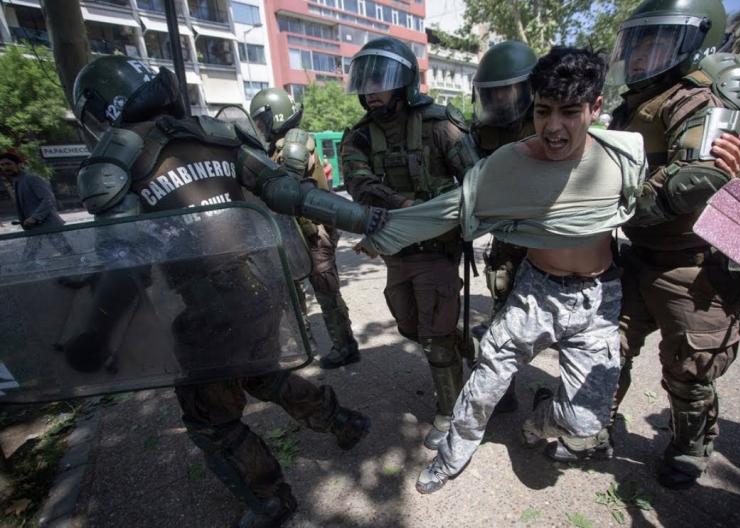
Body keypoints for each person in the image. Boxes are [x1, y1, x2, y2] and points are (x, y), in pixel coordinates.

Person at [72, 56, 386, 527]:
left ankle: (270, 501)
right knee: (262, 374)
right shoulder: (211, 135)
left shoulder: (119, 165)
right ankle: (341, 421)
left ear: (99, 112)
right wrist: (367, 220)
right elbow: (287, 192)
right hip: (259, 287)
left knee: (210, 421)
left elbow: (123, 264)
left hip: (206, 310)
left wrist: (94, 340)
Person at [357, 47, 647, 493]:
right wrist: (380, 237)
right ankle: (452, 455)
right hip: (535, 292)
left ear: (595, 109)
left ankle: (541, 420)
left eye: (570, 112)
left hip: (598, 300)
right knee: (484, 385)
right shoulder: (507, 164)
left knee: (582, 421)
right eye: (544, 111)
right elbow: (447, 209)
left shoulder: (624, 156)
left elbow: (665, 202)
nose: (554, 127)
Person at [605, 0, 740, 489]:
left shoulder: (702, 99)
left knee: (689, 372)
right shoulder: (635, 104)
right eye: (635, 44)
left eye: (653, 43)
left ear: (694, 40)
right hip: (639, 255)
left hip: (697, 266)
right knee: (605, 346)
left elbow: (689, 183)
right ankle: (594, 419)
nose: (638, 57)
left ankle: (690, 445)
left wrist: (610, 207)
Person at [341, 37, 477, 450]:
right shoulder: (360, 136)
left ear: (402, 82)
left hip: (437, 250)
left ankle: (450, 412)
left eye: (379, 81)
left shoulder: (439, 123)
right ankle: (462, 348)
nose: (371, 91)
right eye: (364, 82)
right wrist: (401, 204)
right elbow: (357, 182)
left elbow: (475, 178)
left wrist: (447, 215)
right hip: (396, 251)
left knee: (434, 335)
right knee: (410, 324)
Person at [250, 87, 360, 369]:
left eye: (263, 121)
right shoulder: (276, 148)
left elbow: (290, 193)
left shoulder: (292, 147)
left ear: (277, 116)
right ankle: (306, 347)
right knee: (296, 294)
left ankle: (344, 346)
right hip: (294, 234)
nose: (260, 128)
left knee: (325, 292)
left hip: (311, 233)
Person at [468, 40, 539, 414]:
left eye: (508, 91)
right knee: (501, 319)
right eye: (492, 93)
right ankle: (502, 391)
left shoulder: (549, 118)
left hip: (553, 241)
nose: (500, 100)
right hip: (507, 239)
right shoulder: (481, 129)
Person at [0, 150, 73, 259]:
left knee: (66, 252)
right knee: (29, 256)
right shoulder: (17, 182)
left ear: (19, 164)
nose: (5, 167)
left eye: (8, 164)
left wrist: (35, 217)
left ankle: (87, 270)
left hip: (48, 224)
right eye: (2, 165)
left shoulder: (31, 179)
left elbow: (48, 199)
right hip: (33, 227)